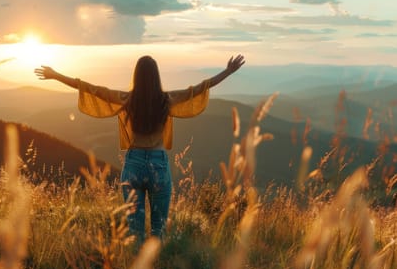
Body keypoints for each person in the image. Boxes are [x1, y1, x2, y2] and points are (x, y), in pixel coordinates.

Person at [34, 54, 245, 244]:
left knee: (135, 231)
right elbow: (201, 87)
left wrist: (56, 75)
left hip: (133, 164)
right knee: (158, 228)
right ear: (156, 77)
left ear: (136, 76)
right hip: (158, 165)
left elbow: (89, 88)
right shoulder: (167, 100)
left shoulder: (126, 99)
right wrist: (228, 71)